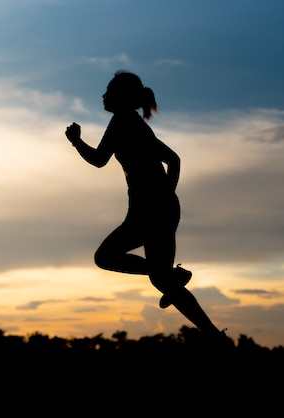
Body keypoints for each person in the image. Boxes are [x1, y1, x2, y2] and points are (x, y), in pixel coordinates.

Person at [65, 71, 230, 345]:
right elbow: (173, 160)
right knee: (163, 281)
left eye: (109, 91)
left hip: (151, 211)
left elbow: (98, 160)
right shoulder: (132, 123)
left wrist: (76, 140)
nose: (103, 96)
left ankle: (178, 284)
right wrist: (167, 196)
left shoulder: (123, 122)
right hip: (156, 209)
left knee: (106, 257)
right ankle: (215, 338)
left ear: (121, 97)